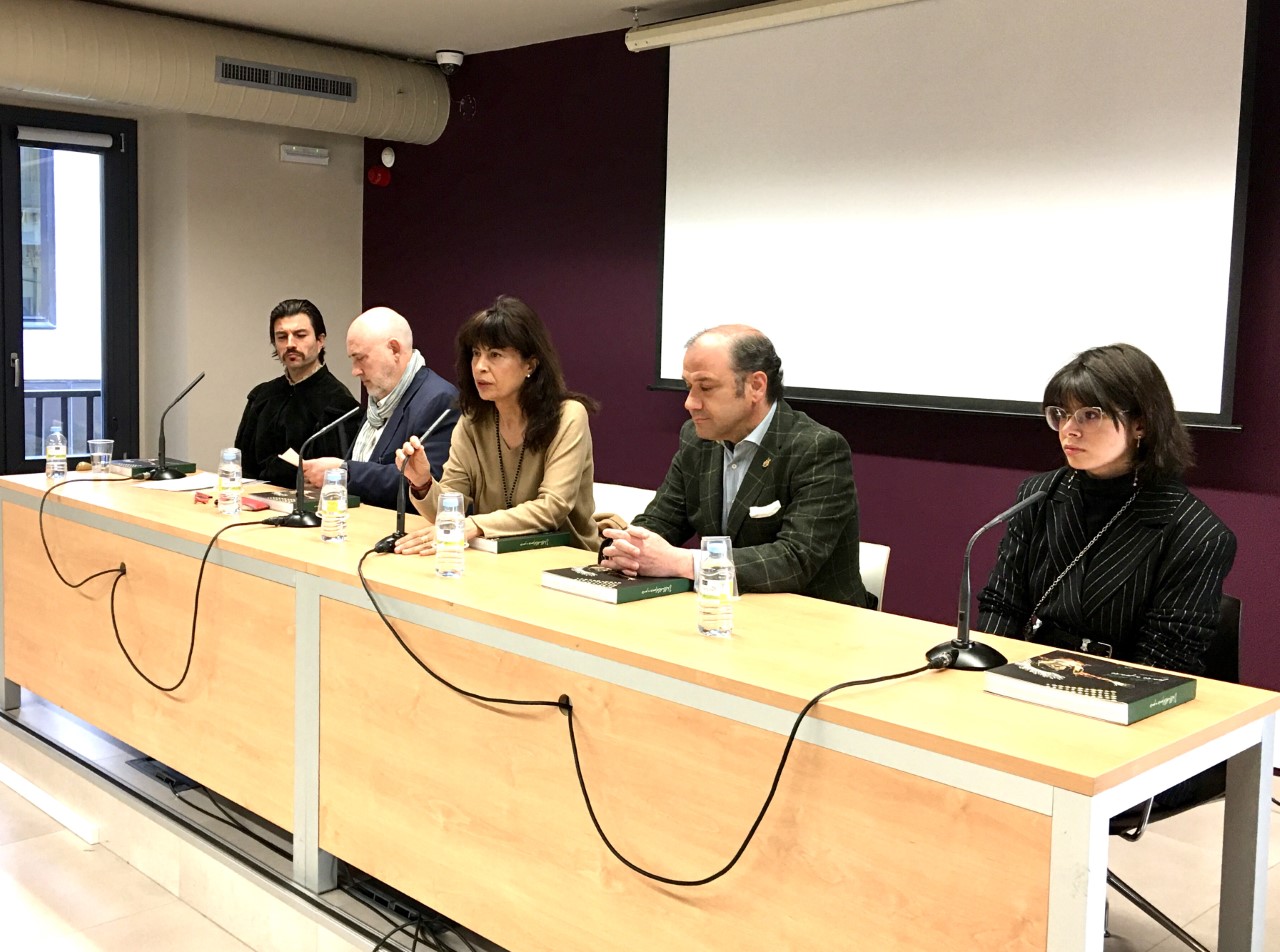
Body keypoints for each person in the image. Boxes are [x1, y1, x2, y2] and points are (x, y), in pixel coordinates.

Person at [977, 343, 1236, 675]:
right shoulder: (1038, 496)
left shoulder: (1196, 534)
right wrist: (988, 679)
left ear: (1141, 424)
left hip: (1120, 691)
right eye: (1061, 414)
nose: (1069, 429)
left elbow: (1163, 661)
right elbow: (1002, 605)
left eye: (1090, 415)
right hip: (1025, 676)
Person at [600, 325, 870, 607]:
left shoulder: (817, 448)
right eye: (688, 387)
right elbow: (661, 521)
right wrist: (627, 549)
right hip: (726, 611)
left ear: (756, 386)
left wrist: (681, 562)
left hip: (814, 616)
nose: (690, 403)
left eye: (706, 387)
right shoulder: (696, 439)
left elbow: (795, 559)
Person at [394, 296, 600, 552]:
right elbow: (449, 514)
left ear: (530, 364)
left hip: (565, 558)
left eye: (495, 355)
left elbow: (552, 508)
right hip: (495, 557)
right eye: (476, 354)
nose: (480, 366)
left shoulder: (568, 416)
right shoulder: (472, 421)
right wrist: (423, 483)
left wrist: (475, 525)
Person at [302, 307, 459, 509]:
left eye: (360, 358)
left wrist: (345, 472)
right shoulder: (379, 401)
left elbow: (427, 484)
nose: (355, 371)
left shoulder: (439, 399)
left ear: (394, 349)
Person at [234, 299, 360, 487]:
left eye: (300, 335)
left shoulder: (340, 404)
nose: (290, 344)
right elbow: (242, 468)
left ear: (320, 340)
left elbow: (340, 478)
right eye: (281, 337)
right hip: (252, 498)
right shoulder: (261, 397)